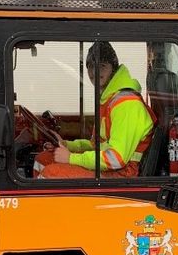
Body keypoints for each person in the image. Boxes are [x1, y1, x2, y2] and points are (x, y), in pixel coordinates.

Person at [33, 42, 155, 178]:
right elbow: (96, 145)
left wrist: (71, 158)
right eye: (91, 67)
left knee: (51, 174)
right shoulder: (108, 99)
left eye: (102, 66)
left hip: (123, 173)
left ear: (113, 69)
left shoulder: (126, 104)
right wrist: (67, 145)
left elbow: (116, 159)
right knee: (43, 159)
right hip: (110, 168)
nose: (94, 72)